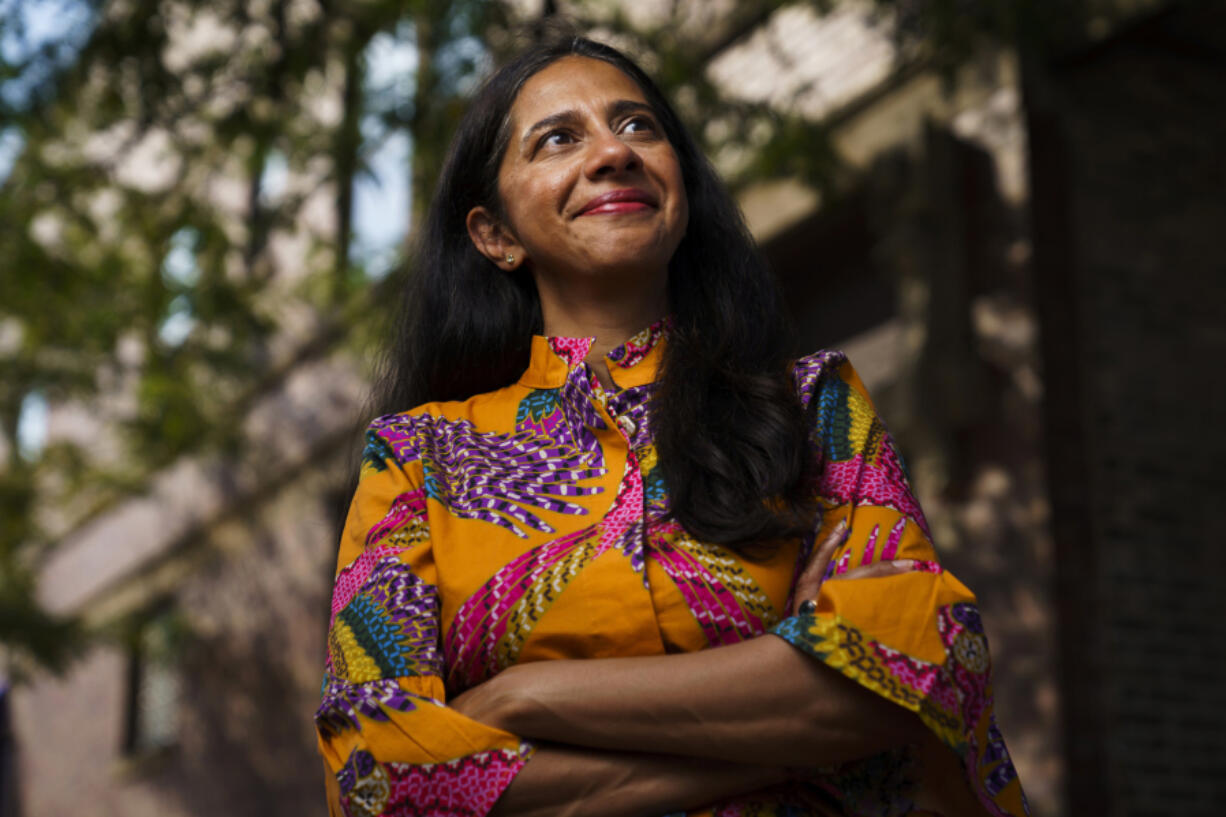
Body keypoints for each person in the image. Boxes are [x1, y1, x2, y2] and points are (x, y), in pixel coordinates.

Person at [315, 33, 1028, 817]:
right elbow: (376, 776)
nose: (613, 153)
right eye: (559, 138)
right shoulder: (422, 459)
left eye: (638, 127)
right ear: (497, 234)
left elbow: (925, 657)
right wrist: (801, 729)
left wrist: (522, 697)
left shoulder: (812, 407)